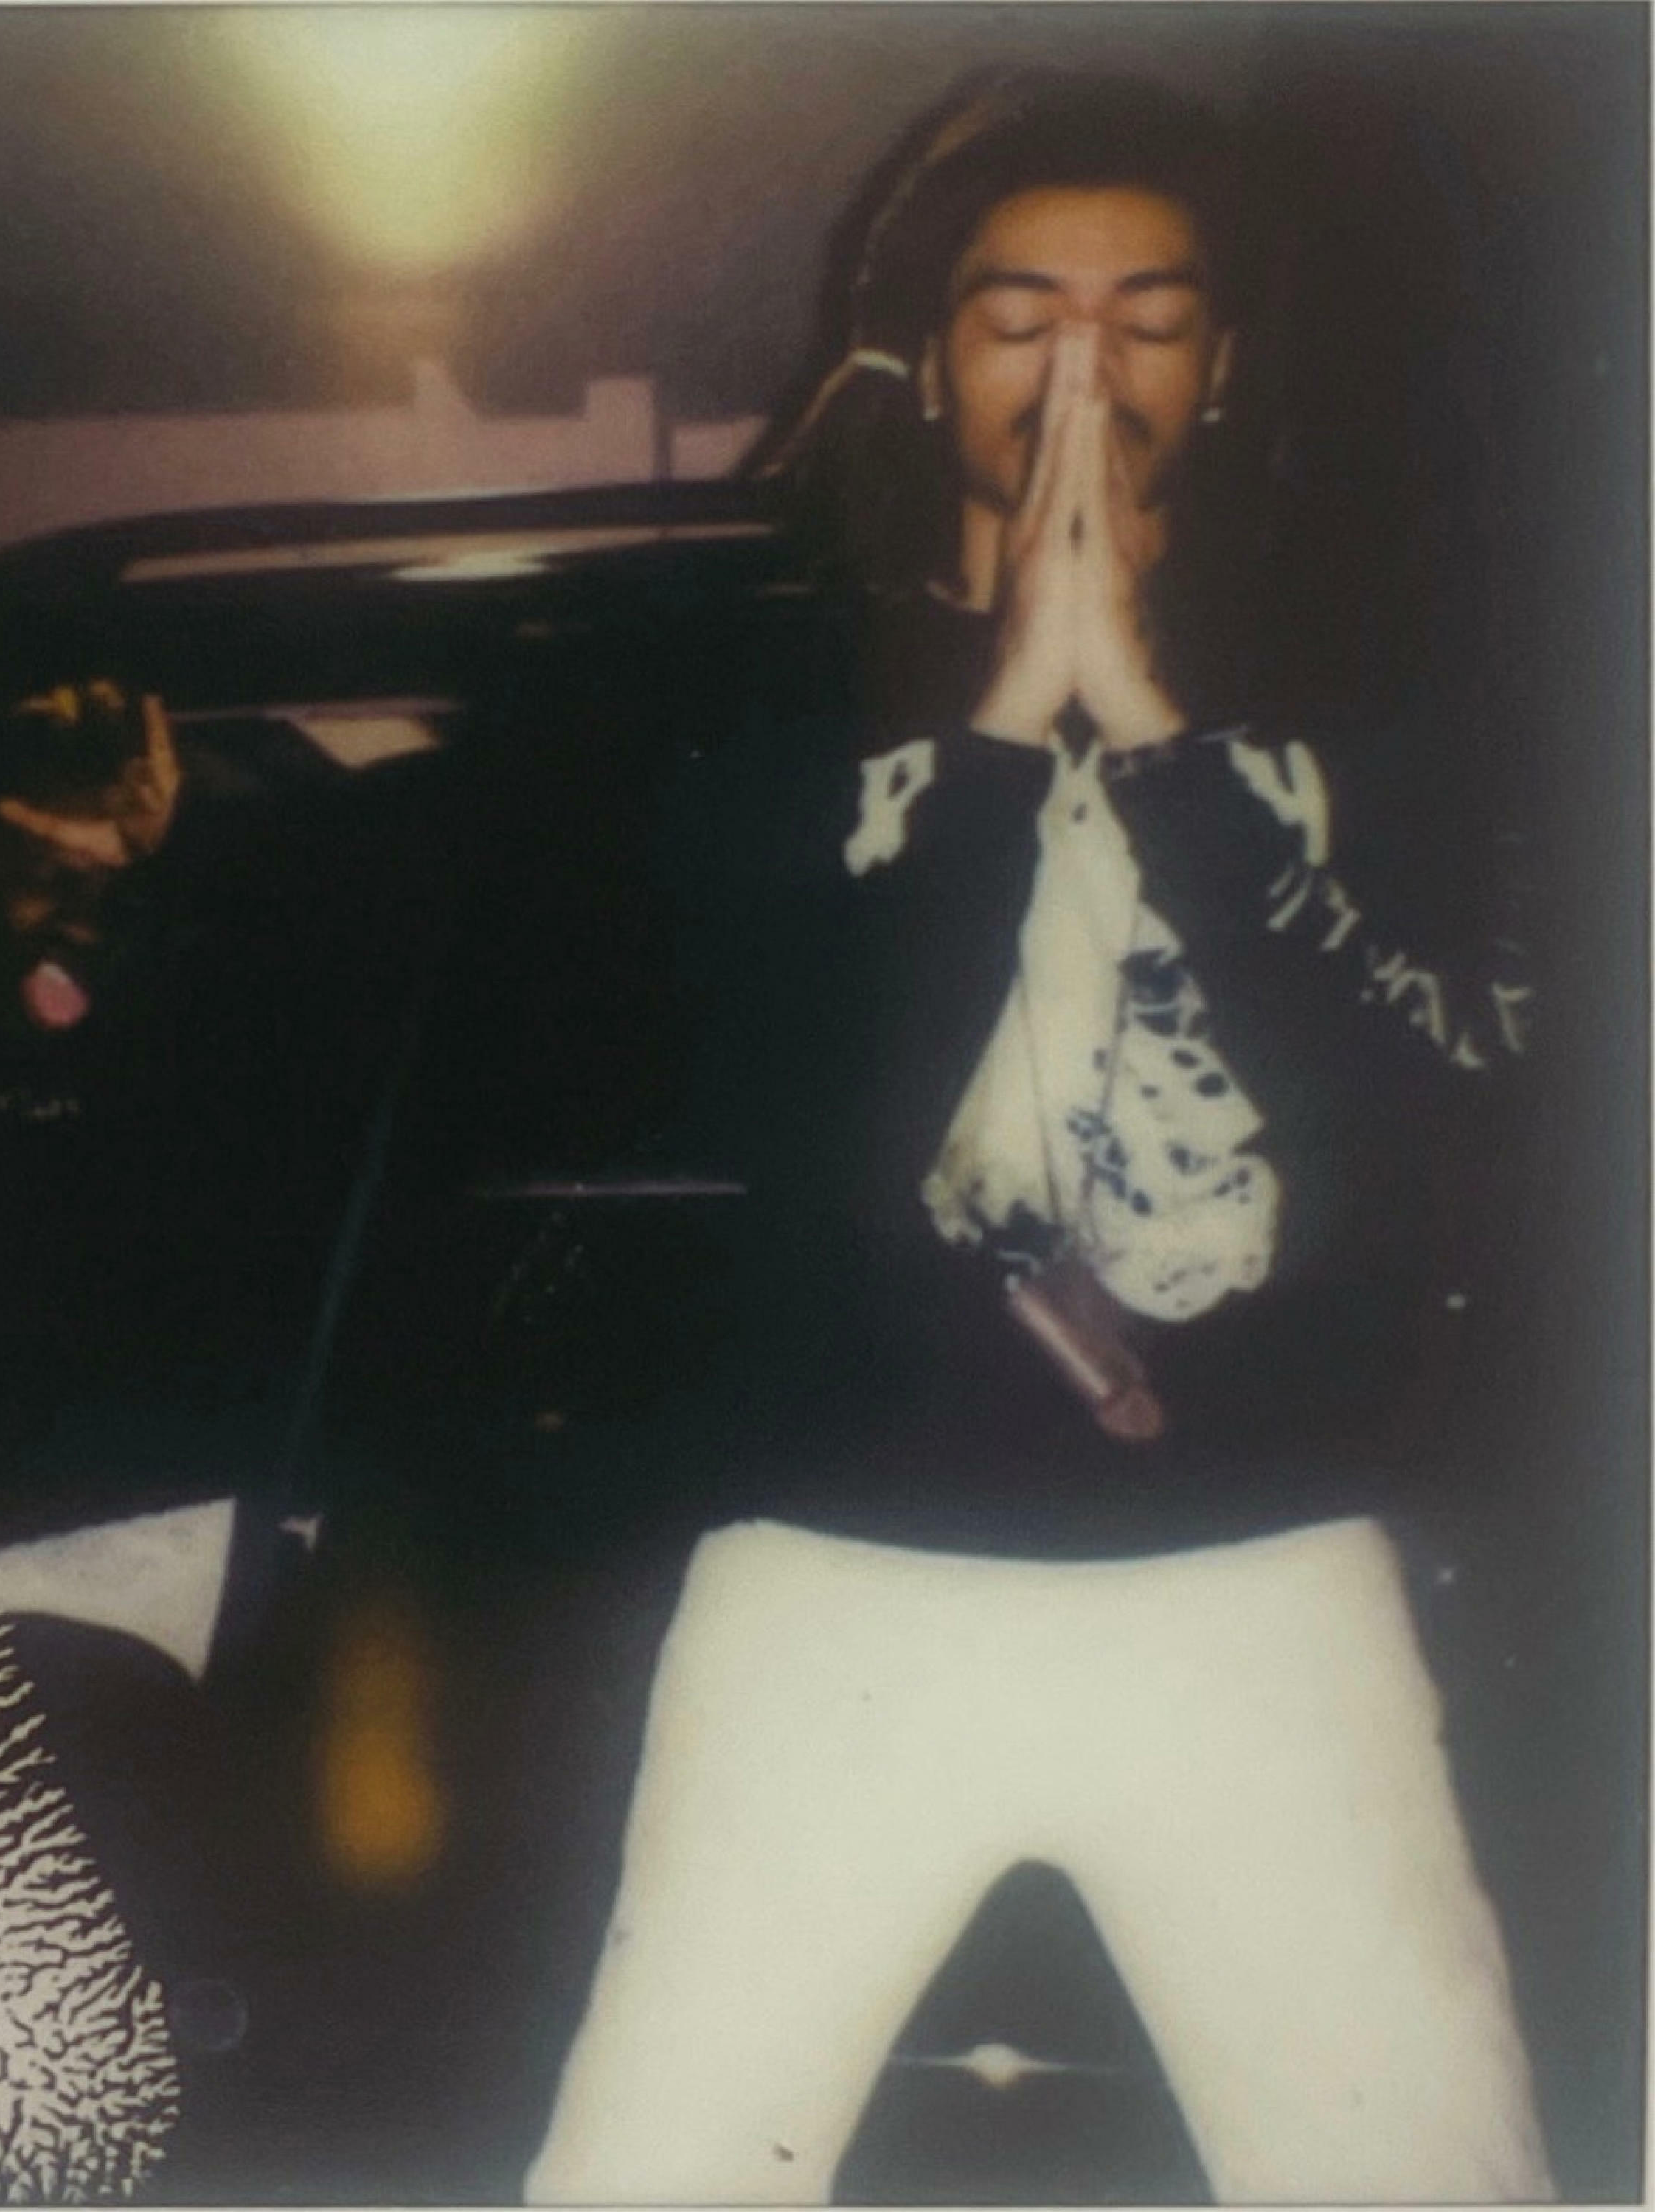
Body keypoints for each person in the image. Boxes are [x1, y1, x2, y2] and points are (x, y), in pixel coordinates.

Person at [520, 66, 1553, 2205]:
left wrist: (1159, 743)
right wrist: (1002, 731)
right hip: (836, 1579)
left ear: (1223, 363)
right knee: (659, 2168)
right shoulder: (748, 701)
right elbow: (787, 1140)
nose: (1085, 364)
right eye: (1022, 313)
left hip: (1265, 1571)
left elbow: (1441, 1149)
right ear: (927, 357)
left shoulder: (1396, 711)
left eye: (1148, 315)